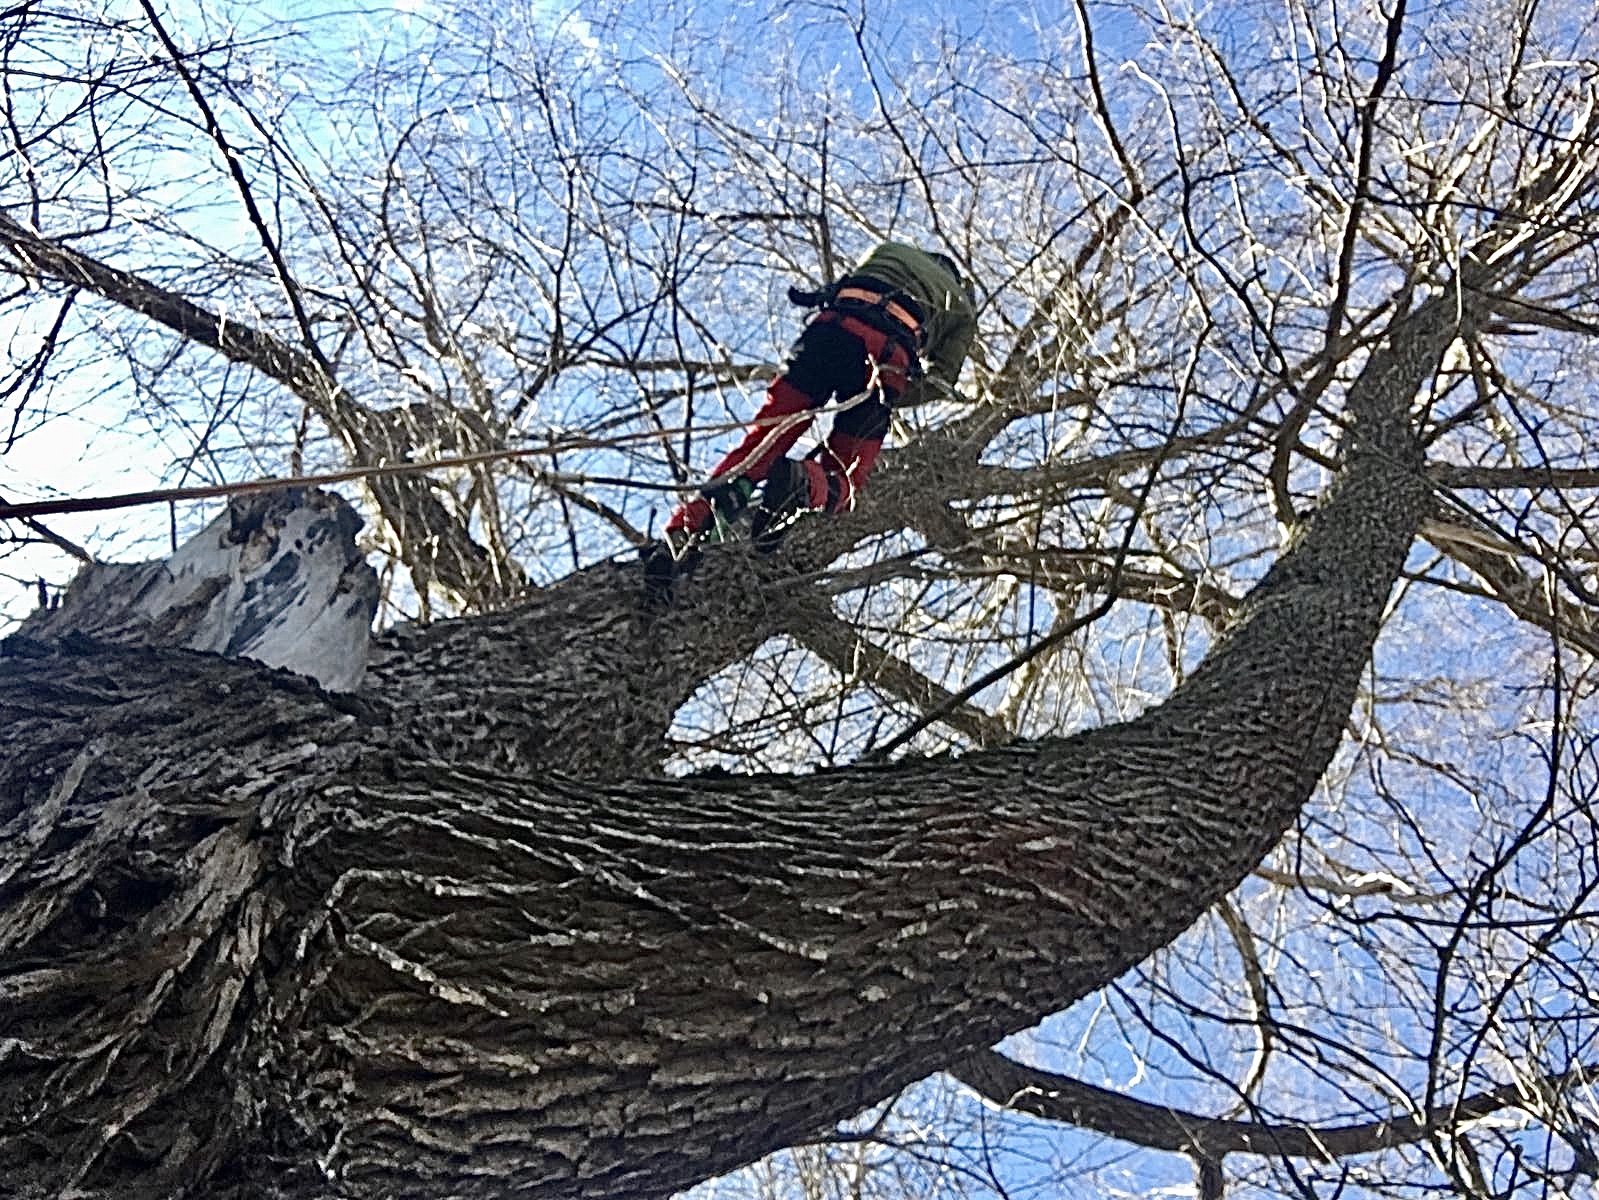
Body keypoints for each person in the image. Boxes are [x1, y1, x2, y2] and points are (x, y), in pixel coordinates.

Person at [644, 241, 977, 592]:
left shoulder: (888, 249)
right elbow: (942, 380)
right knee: (846, 479)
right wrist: (892, 395)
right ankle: (802, 483)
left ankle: (685, 532)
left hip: (830, 329)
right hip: (887, 352)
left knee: (764, 440)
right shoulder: (962, 306)